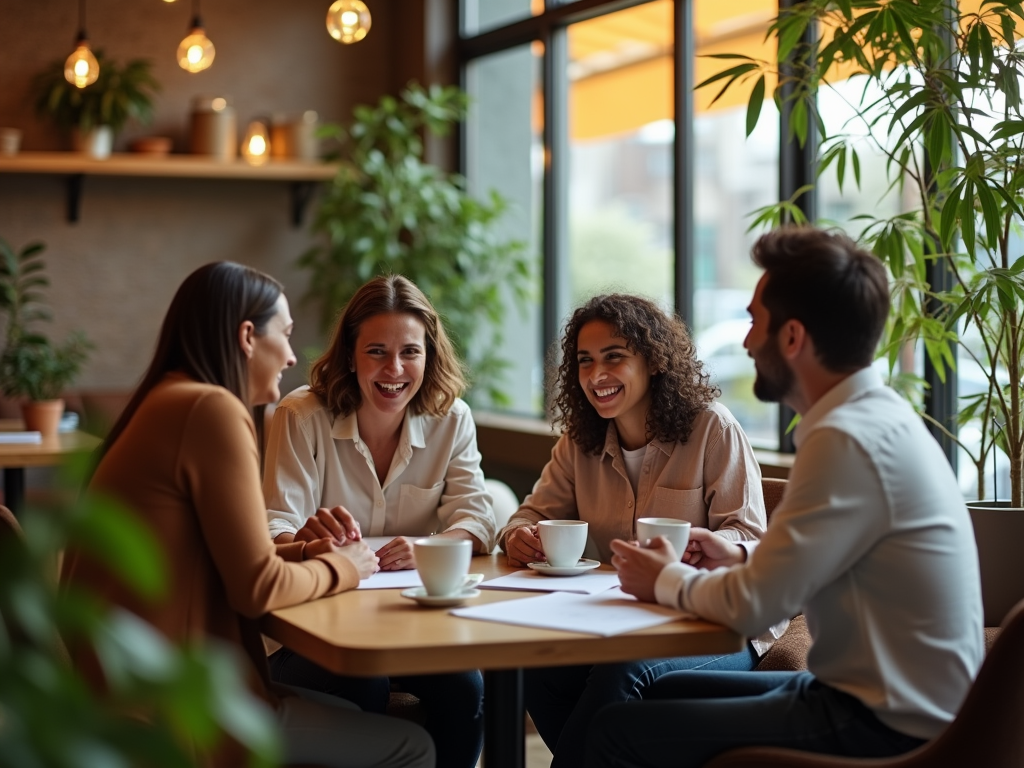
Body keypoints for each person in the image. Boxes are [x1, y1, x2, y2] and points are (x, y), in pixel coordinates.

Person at [595, 227, 986, 768]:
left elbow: (756, 606)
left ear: (793, 337)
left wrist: (661, 578)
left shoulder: (846, 440)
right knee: (656, 697)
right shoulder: (878, 419)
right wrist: (740, 555)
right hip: (883, 702)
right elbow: (816, 560)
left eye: (757, 321)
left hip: (884, 725)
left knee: (617, 732)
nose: (749, 341)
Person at [61, 262, 434, 768]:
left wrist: (308, 551)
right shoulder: (210, 410)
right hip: (173, 705)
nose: (289, 356)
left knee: (351, 710)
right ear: (246, 337)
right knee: (413, 746)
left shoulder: (170, 399)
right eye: (284, 335)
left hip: (127, 684)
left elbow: (225, 548)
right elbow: (256, 587)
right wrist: (348, 567)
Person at [497, 293, 779, 768]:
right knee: (530, 667)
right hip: (620, 623)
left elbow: (749, 538)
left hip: (720, 630)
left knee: (621, 673)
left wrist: (696, 555)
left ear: (652, 362)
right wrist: (518, 536)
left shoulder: (713, 429)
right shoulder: (579, 442)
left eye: (614, 358)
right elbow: (527, 515)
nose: (596, 375)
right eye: (585, 362)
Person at [263, 274, 491, 768]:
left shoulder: (453, 419)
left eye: (410, 351)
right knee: (361, 682)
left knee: (466, 687)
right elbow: (274, 524)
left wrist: (433, 545)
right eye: (377, 352)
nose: (395, 368)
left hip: (413, 626)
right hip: (316, 629)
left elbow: (475, 516)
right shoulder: (301, 415)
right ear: (349, 355)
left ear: (428, 356)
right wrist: (305, 541)